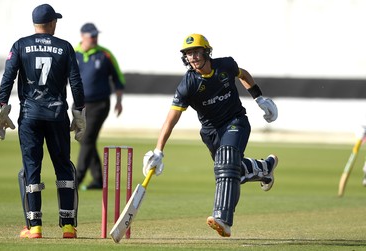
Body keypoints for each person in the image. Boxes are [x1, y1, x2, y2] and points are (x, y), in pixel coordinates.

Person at [142, 34, 279, 237]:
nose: (193, 57)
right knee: (233, 170)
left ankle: (223, 219)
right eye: (189, 54)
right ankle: (265, 167)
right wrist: (158, 150)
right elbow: (171, 119)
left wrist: (259, 98)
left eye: (197, 52)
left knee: (226, 164)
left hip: (235, 122)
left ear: (207, 52)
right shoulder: (188, 84)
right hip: (211, 132)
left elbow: (243, 75)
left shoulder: (226, 65)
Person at [0, 4, 86, 239]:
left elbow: (8, 77)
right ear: (52, 23)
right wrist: (80, 111)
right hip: (56, 115)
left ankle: (34, 226)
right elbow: (76, 82)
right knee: (63, 166)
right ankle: (68, 226)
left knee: (31, 168)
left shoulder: (20, 45)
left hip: (29, 116)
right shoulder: (65, 47)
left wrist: (2, 106)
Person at [74, 23, 126, 190]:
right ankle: (98, 179)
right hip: (78, 105)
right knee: (85, 140)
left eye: (96, 35)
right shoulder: (73, 54)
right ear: (82, 36)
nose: (95, 38)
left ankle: (76, 180)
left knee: (87, 138)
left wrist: (119, 101)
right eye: (92, 36)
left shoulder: (105, 54)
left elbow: (118, 79)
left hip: (99, 104)